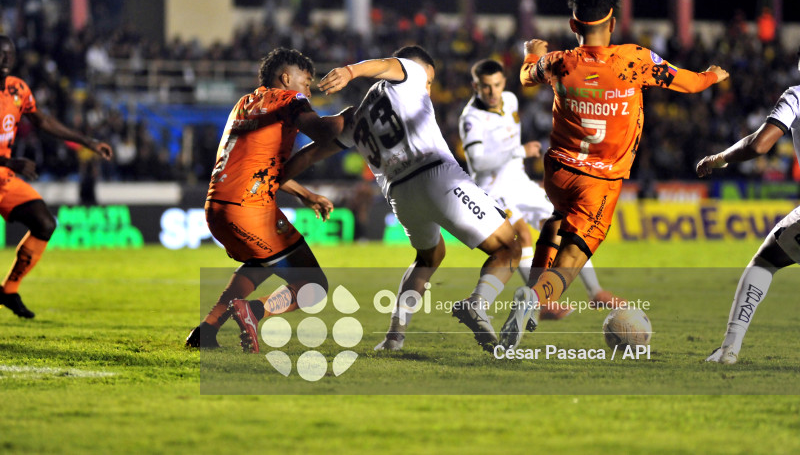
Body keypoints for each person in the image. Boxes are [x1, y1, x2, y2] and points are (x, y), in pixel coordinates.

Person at [497, 0, 729, 349]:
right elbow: (691, 84)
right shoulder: (634, 60)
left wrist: (531, 52)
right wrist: (713, 75)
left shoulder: (558, 63)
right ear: (613, 23)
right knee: (571, 259)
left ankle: (534, 296)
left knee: (557, 222)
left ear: (574, 26)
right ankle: (536, 299)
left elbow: (526, 76)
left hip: (558, 171)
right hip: (600, 182)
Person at [282, 45, 521, 351]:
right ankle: (477, 303)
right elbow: (387, 63)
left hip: (400, 196)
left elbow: (313, 153)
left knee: (428, 257)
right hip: (436, 175)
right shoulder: (413, 72)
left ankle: (394, 336)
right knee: (508, 248)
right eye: (430, 80)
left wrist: (276, 177)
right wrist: (351, 70)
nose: (429, 86)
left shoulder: (355, 117)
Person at [185, 47, 345, 353]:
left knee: (261, 263)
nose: (308, 88)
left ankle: (206, 330)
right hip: (249, 208)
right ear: (287, 78)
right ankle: (254, 311)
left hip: (220, 206)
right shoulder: (290, 99)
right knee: (314, 287)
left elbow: (256, 164)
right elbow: (325, 133)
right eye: (306, 80)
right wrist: (354, 119)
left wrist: (306, 194)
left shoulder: (243, 104)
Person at [459, 58, 624, 320]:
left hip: (520, 182)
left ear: (503, 83)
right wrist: (519, 151)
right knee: (523, 236)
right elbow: (478, 161)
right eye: (485, 87)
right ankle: (540, 301)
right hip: (493, 190)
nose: (492, 92)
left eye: (497, 85)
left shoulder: (511, 100)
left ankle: (596, 292)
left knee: (567, 224)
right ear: (475, 86)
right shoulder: (471, 118)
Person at [696, 48, 800, 364]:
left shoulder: (796, 95)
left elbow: (759, 144)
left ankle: (730, 348)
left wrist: (720, 158)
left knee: (765, 262)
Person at [0, 34, 113, 318]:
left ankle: (9, 290)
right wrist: (11, 161)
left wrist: (86, 141)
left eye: (8, 55)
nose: (4, 60)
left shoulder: (18, 89)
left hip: (4, 177)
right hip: (7, 166)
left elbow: (43, 120)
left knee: (45, 223)